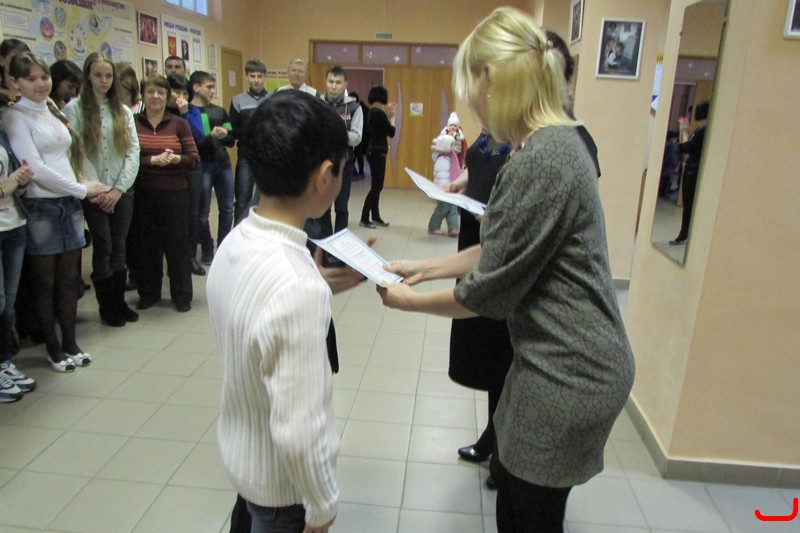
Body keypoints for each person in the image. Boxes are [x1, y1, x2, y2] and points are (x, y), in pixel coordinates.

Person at [377, 8, 634, 532]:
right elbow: (504, 247)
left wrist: (407, 301)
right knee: (513, 498)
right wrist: (426, 267)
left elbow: (486, 293)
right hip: (551, 359)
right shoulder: (552, 142)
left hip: (568, 367)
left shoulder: (542, 158)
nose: (472, 102)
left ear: (494, 80)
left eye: (473, 86)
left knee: (528, 514)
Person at [208, 90, 347, 533]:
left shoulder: (236, 239)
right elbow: (301, 427)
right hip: (283, 492)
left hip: (246, 464)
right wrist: (322, 508)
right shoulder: (296, 287)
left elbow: (256, 319)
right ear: (324, 176)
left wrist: (316, 282)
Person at [3, 52, 109, 372]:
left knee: (69, 280)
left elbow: (66, 158)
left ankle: (70, 342)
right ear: (15, 82)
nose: (40, 84)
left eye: (44, 77)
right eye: (31, 78)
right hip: (42, 207)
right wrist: (80, 189)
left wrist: (82, 182)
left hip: (68, 205)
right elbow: (34, 168)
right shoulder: (14, 116)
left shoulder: (51, 109)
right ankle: (52, 347)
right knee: (44, 283)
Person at [64, 53, 140, 327]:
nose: (104, 80)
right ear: (88, 76)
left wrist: (117, 190)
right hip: (93, 191)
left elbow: (133, 152)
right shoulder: (74, 109)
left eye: (108, 76)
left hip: (122, 190)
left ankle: (119, 302)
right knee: (104, 244)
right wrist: (97, 189)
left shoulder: (123, 111)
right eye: (98, 75)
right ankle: (107, 306)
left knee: (119, 244)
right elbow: (76, 153)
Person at [130, 75, 199, 312]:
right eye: (150, 92)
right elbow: (126, 159)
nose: (156, 96)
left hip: (175, 193)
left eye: (161, 92)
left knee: (177, 246)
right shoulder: (133, 123)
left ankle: (182, 295)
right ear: (142, 95)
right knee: (147, 247)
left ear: (167, 96)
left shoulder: (179, 123)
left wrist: (177, 159)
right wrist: (151, 161)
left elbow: (193, 159)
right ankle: (149, 294)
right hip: (144, 193)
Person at [0, 127, 36, 401]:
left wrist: (21, 181)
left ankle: (4, 362)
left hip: (13, 225)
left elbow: (14, 184)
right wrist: (6, 186)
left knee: (7, 303)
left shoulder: (2, 135)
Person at [189, 70, 235, 264]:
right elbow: (197, 142)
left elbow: (231, 140)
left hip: (223, 163)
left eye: (213, 87)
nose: (212, 91)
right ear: (196, 87)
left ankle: (223, 247)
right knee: (203, 212)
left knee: (227, 209)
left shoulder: (220, 111)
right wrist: (211, 136)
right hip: (203, 165)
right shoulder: (189, 113)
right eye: (208, 87)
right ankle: (207, 249)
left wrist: (224, 135)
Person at [166, 73, 206, 277]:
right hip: (166, 168)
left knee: (193, 213)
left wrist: (184, 114)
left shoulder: (193, 111)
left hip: (191, 167)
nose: (180, 97)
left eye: (184, 93)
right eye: (176, 92)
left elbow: (199, 137)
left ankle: (190, 257)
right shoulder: (160, 111)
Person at [314, 66, 362, 237]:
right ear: (326, 82)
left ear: (345, 84)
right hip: (322, 166)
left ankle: (340, 246)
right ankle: (325, 246)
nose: (334, 86)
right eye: (331, 82)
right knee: (323, 208)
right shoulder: (316, 104)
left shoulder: (354, 107)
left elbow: (357, 138)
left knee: (341, 208)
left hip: (344, 165)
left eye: (338, 83)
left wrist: (334, 131)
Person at [229, 59, 269, 225]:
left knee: (267, 199)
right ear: (246, 77)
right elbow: (232, 129)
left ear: (265, 76)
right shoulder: (237, 100)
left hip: (268, 157)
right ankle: (239, 232)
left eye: (259, 76)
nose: (256, 80)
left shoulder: (273, 99)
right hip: (246, 155)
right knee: (242, 199)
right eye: (252, 76)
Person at [670, 100, 709, 246]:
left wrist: (684, 132)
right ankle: (685, 233)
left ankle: (685, 234)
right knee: (688, 205)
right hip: (691, 169)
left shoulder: (703, 132)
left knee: (689, 205)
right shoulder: (700, 130)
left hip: (694, 171)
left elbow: (685, 147)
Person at [359, 85, 395, 229]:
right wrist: (392, 117)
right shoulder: (379, 114)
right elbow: (391, 132)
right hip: (378, 153)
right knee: (377, 187)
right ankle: (364, 218)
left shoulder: (370, 112)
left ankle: (375, 216)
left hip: (373, 151)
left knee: (376, 186)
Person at [427, 130, 460, 237]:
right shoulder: (442, 159)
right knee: (443, 208)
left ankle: (453, 227)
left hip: (450, 188)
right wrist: (446, 187)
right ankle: (433, 227)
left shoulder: (451, 157)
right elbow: (441, 176)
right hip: (443, 189)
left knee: (453, 207)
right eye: (451, 145)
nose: (453, 147)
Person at [349, 91, 368, 180]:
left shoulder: (361, 109)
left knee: (358, 155)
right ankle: (357, 172)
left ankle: (358, 172)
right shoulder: (348, 108)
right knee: (357, 155)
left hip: (360, 135)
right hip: (357, 135)